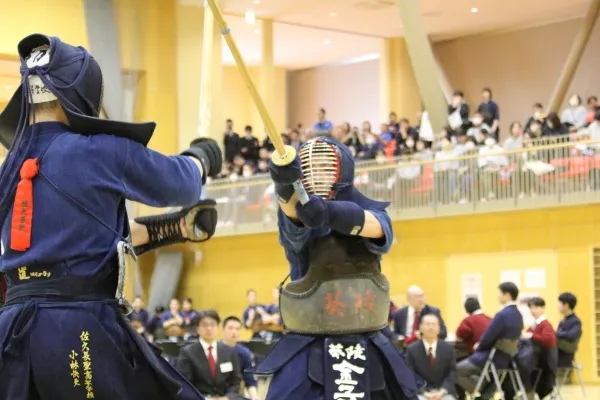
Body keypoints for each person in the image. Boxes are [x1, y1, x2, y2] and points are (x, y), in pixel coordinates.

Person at [0, 34, 223, 400]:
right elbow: (182, 184)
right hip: (77, 327)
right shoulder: (100, 151)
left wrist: (168, 229)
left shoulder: (7, 170)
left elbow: (67, 241)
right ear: (81, 90)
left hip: (10, 335)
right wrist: (202, 157)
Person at [257, 136, 423, 399]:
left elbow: (378, 230)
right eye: (310, 168)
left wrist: (330, 213)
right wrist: (284, 183)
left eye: (325, 167)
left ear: (343, 170)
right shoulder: (295, 218)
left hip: (368, 336)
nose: (318, 174)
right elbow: (291, 215)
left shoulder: (372, 212)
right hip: (309, 339)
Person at [455, 282, 524, 397]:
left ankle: (482, 388)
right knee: (493, 378)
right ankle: (485, 391)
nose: (497, 296)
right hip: (506, 359)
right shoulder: (518, 315)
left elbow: (488, 337)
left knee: (454, 370)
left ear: (507, 295)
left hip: (490, 357)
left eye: (499, 293)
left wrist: (479, 346)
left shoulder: (501, 315)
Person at [178, 311, 243, 400]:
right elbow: (185, 384)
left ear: (218, 327)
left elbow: (235, 381)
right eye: (205, 325)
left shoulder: (230, 351)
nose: (209, 328)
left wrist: (227, 397)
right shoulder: (188, 352)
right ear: (197, 328)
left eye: (213, 324)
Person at [406, 314, 457, 400]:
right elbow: (410, 374)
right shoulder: (411, 349)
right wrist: (425, 393)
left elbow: (452, 372)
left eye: (434, 324)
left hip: (443, 392)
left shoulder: (448, 348)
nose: (431, 327)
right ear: (420, 328)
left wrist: (442, 391)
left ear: (439, 328)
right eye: (427, 324)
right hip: (421, 392)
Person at [222, 316, 260, 400]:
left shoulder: (244, 353)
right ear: (223, 329)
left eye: (237, 329)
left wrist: (254, 397)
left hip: (235, 396)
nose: (234, 332)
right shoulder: (214, 349)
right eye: (230, 328)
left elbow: (250, 380)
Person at [556, 292, 582, 368]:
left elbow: (572, 335)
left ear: (566, 305)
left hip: (564, 357)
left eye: (560, 303)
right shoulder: (563, 321)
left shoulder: (575, 321)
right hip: (559, 354)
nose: (558, 306)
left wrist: (556, 333)